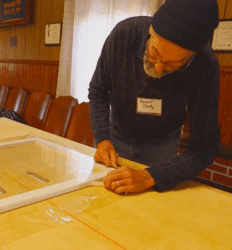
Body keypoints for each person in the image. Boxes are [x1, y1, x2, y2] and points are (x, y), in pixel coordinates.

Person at [88, 0, 220, 194]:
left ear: (192, 56)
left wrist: (151, 176)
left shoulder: (204, 65)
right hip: (116, 138)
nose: (158, 68)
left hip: (162, 147)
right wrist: (102, 139)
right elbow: (98, 90)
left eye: (173, 64)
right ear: (151, 29)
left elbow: (204, 146)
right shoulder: (123, 35)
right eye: (154, 53)